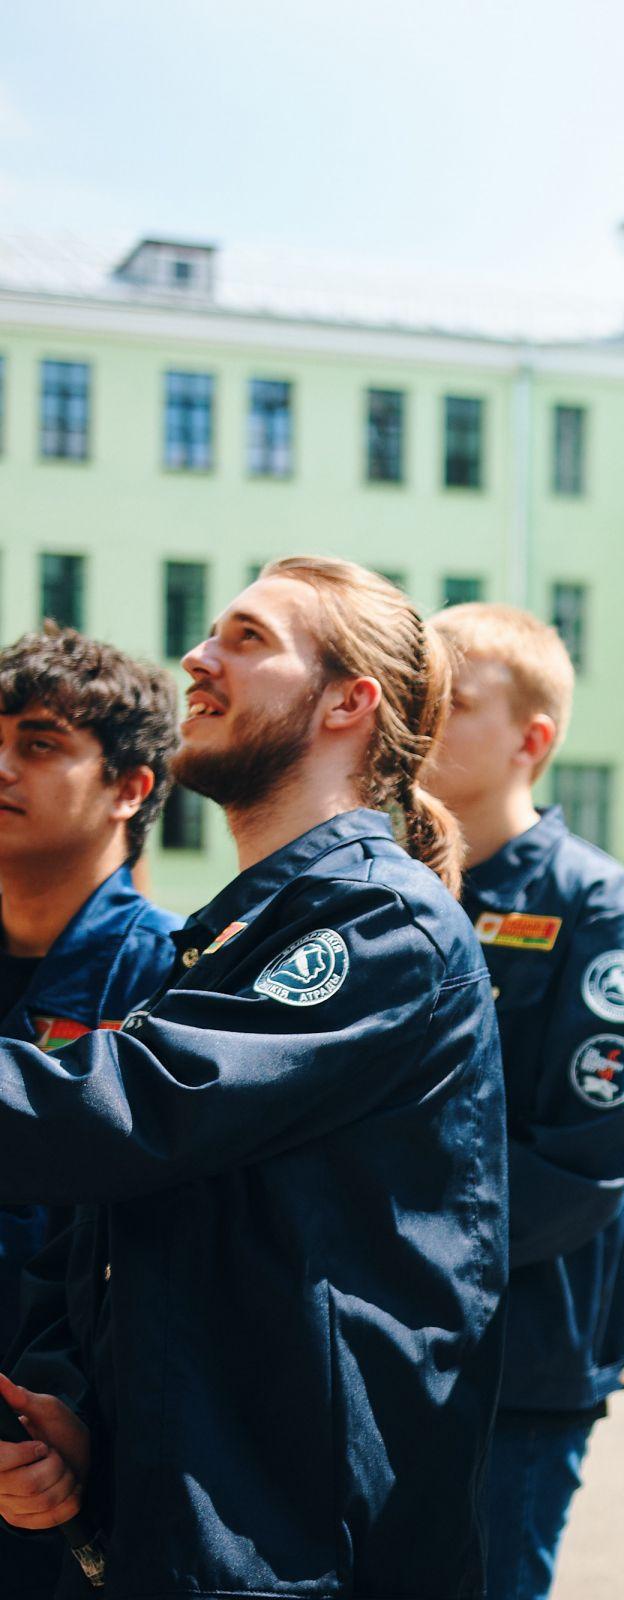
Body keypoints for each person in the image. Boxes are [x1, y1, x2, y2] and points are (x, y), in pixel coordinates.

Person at [0, 557, 507, 1598]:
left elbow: (134, 1112)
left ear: (346, 704)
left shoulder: (381, 922)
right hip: (194, 1531)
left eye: (247, 638)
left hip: (295, 1551)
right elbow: (130, 1227)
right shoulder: (235, 937)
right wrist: (71, 1417)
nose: (197, 658)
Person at [423, 602, 624, 1600]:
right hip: (398, 1337)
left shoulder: (593, 907)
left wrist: (404, 1249)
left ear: (534, 739)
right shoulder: (398, 886)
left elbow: (590, 1157)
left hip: (523, 1352)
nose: (426, 715)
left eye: (456, 700)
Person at [0, 626, 182, 1599]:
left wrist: (66, 1423)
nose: (2, 765)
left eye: (38, 743)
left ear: (130, 788)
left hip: (60, 1461)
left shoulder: (168, 977)